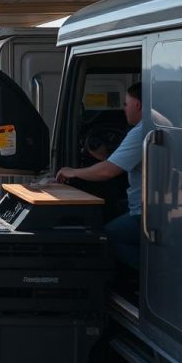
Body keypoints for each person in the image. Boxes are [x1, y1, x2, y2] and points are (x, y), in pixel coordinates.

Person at [56, 83, 143, 269]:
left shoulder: (140, 132)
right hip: (143, 207)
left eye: (126, 104)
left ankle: (149, 275)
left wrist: (73, 172)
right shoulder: (148, 129)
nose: (124, 108)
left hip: (143, 214)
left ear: (138, 105)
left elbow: (107, 171)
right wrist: (103, 157)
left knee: (104, 238)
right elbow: (115, 164)